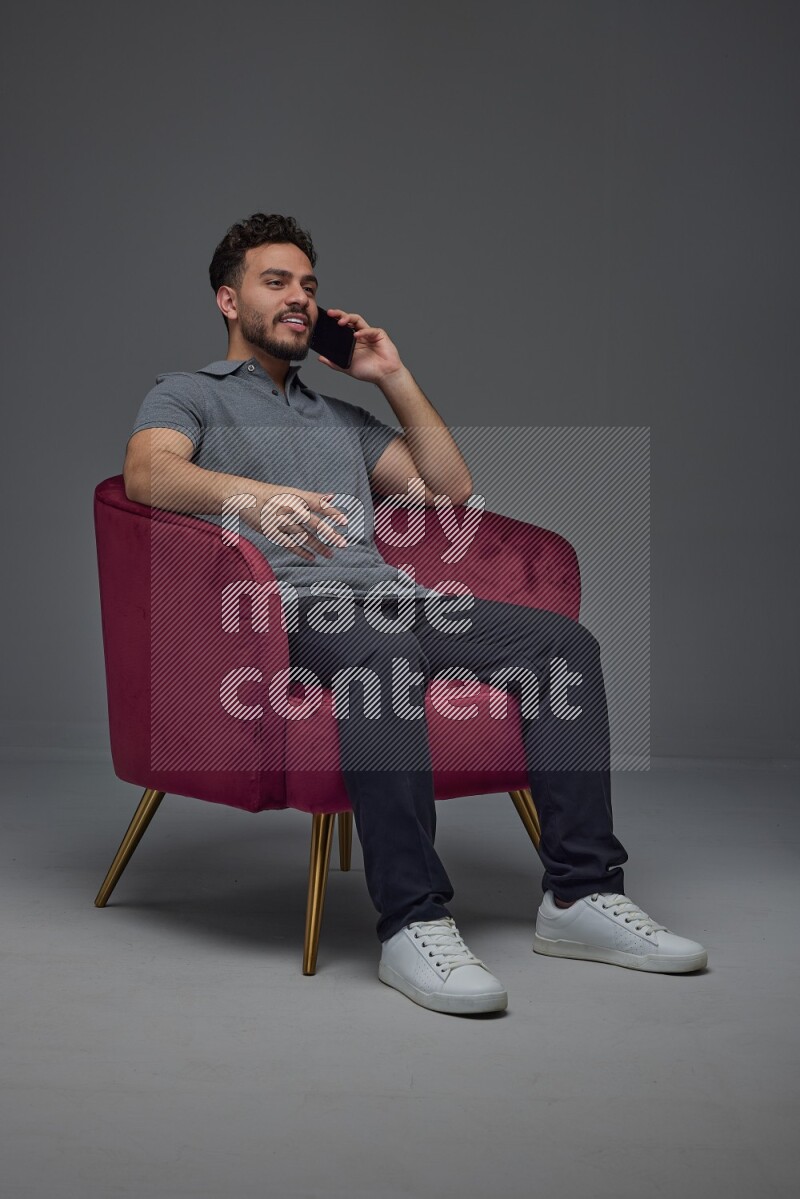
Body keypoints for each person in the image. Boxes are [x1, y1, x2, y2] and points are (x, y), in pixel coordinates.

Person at [124, 212, 708, 1016]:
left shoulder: (340, 420)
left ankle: (579, 897)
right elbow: (148, 475)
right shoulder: (187, 394)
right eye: (276, 282)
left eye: (309, 285)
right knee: (381, 660)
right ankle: (413, 920)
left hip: (397, 601)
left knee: (562, 647)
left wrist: (389, 375)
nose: (300, 298)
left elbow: (449, 490)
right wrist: (254, 500)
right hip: (287, 612)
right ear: (228, 300)